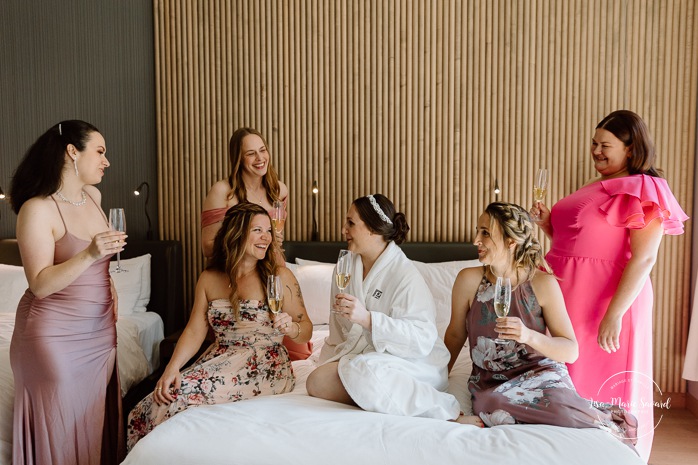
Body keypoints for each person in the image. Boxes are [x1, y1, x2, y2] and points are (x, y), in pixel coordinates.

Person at [531, 110, 688, 460]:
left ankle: (607, 454)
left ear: (631, 149)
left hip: (606, 299)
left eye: (606, 145)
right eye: (594, 143)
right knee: (565, 373)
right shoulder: (596, 184)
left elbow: (645, 258)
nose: (596, 151)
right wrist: (547, 226)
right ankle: (561, 450)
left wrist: (614, 314)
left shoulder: (644, 188)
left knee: (597, 381)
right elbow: (579, 242)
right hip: (568, 292)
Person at [444, 202, 638, 447]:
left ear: (510, 241)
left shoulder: (542, 283)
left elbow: (570, 350)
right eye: (477, 231)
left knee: (560, 409)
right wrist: (438, 378)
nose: (475, 240)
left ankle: (610, 422)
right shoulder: (468, 279)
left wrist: (528, 336)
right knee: (496, 411)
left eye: (485, 233)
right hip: (491, 381)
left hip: (539, 372)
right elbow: (454, 335)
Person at [127, 203, 312, 449]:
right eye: (257, 230)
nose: (266, 237)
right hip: (220, 358)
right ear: (236, 233)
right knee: (147, 405)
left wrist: (291, 329)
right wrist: (172, 368)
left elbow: (306, 327)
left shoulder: (279, 276)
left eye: (268, 230)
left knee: (174, 400)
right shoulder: (209, 278)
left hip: (264, 365)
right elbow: (194, 330)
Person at [9, 120, 126, 464]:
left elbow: (103, 263)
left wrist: (111, 287)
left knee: (91, 424)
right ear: (72, 152)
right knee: (59, 430)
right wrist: (89, 253)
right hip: (53, 335)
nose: (106, 161)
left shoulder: (94, 197)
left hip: (100, 330)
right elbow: (40, 284)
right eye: (100, 152)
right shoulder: (38, 209)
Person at [306, 194, 462, 421]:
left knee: (364, 371)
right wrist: (334, 359)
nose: (343, 229)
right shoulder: (345, 265)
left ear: (373, 229)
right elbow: (338, 329)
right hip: (365, 361)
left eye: (351, 223)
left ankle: (448, 410)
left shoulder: (405, 275)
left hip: (411, 362)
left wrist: (369, 319)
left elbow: (422, 339)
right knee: (317, 382)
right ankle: (380, 396)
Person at [201, 127, 288, 258]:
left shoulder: (279, 190)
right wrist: (249, 239)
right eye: (251, 154)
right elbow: (207, 249)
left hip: (271, 265)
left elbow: (276, 242)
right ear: (239, 159)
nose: (260, 158)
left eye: (263, 150)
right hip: (233, 270)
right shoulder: (222, 191)